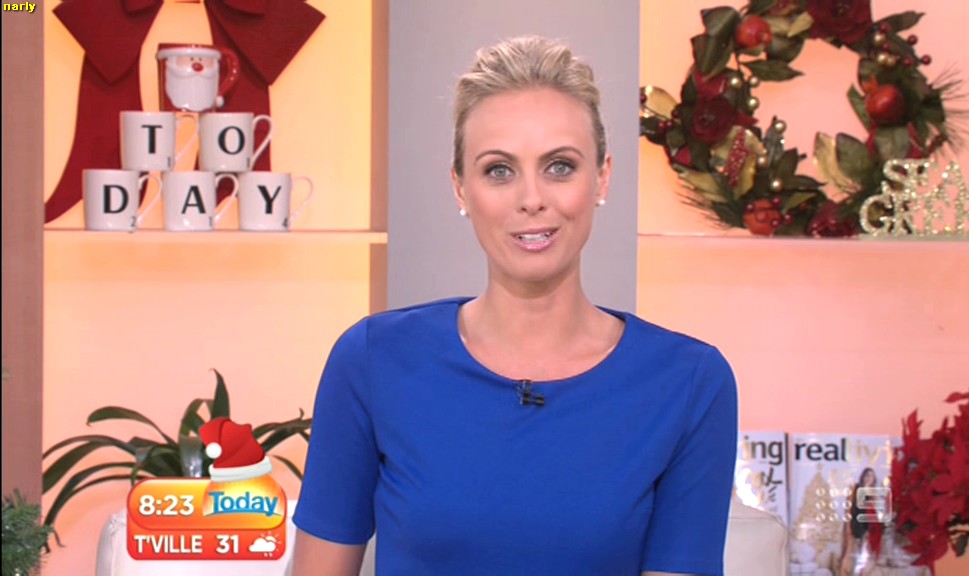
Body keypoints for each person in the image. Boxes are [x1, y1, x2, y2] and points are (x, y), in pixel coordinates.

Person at [291, 35, 739, 576]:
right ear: (461, 188)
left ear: (602, 177)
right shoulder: (372, 359)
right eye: (499, 170)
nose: (531, 199)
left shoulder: (689, 382)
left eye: (560, 166)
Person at [839, 467, 878, 576]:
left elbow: (874, 512)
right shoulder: (855, 488)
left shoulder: (873, 493)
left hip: (866, 526)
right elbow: (848, 508)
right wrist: (848, 526)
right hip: (854, 524)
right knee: (849, 552)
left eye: (872, 476)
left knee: (864, 555)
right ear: (863, 476)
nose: (869, 478)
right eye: (867, 475)